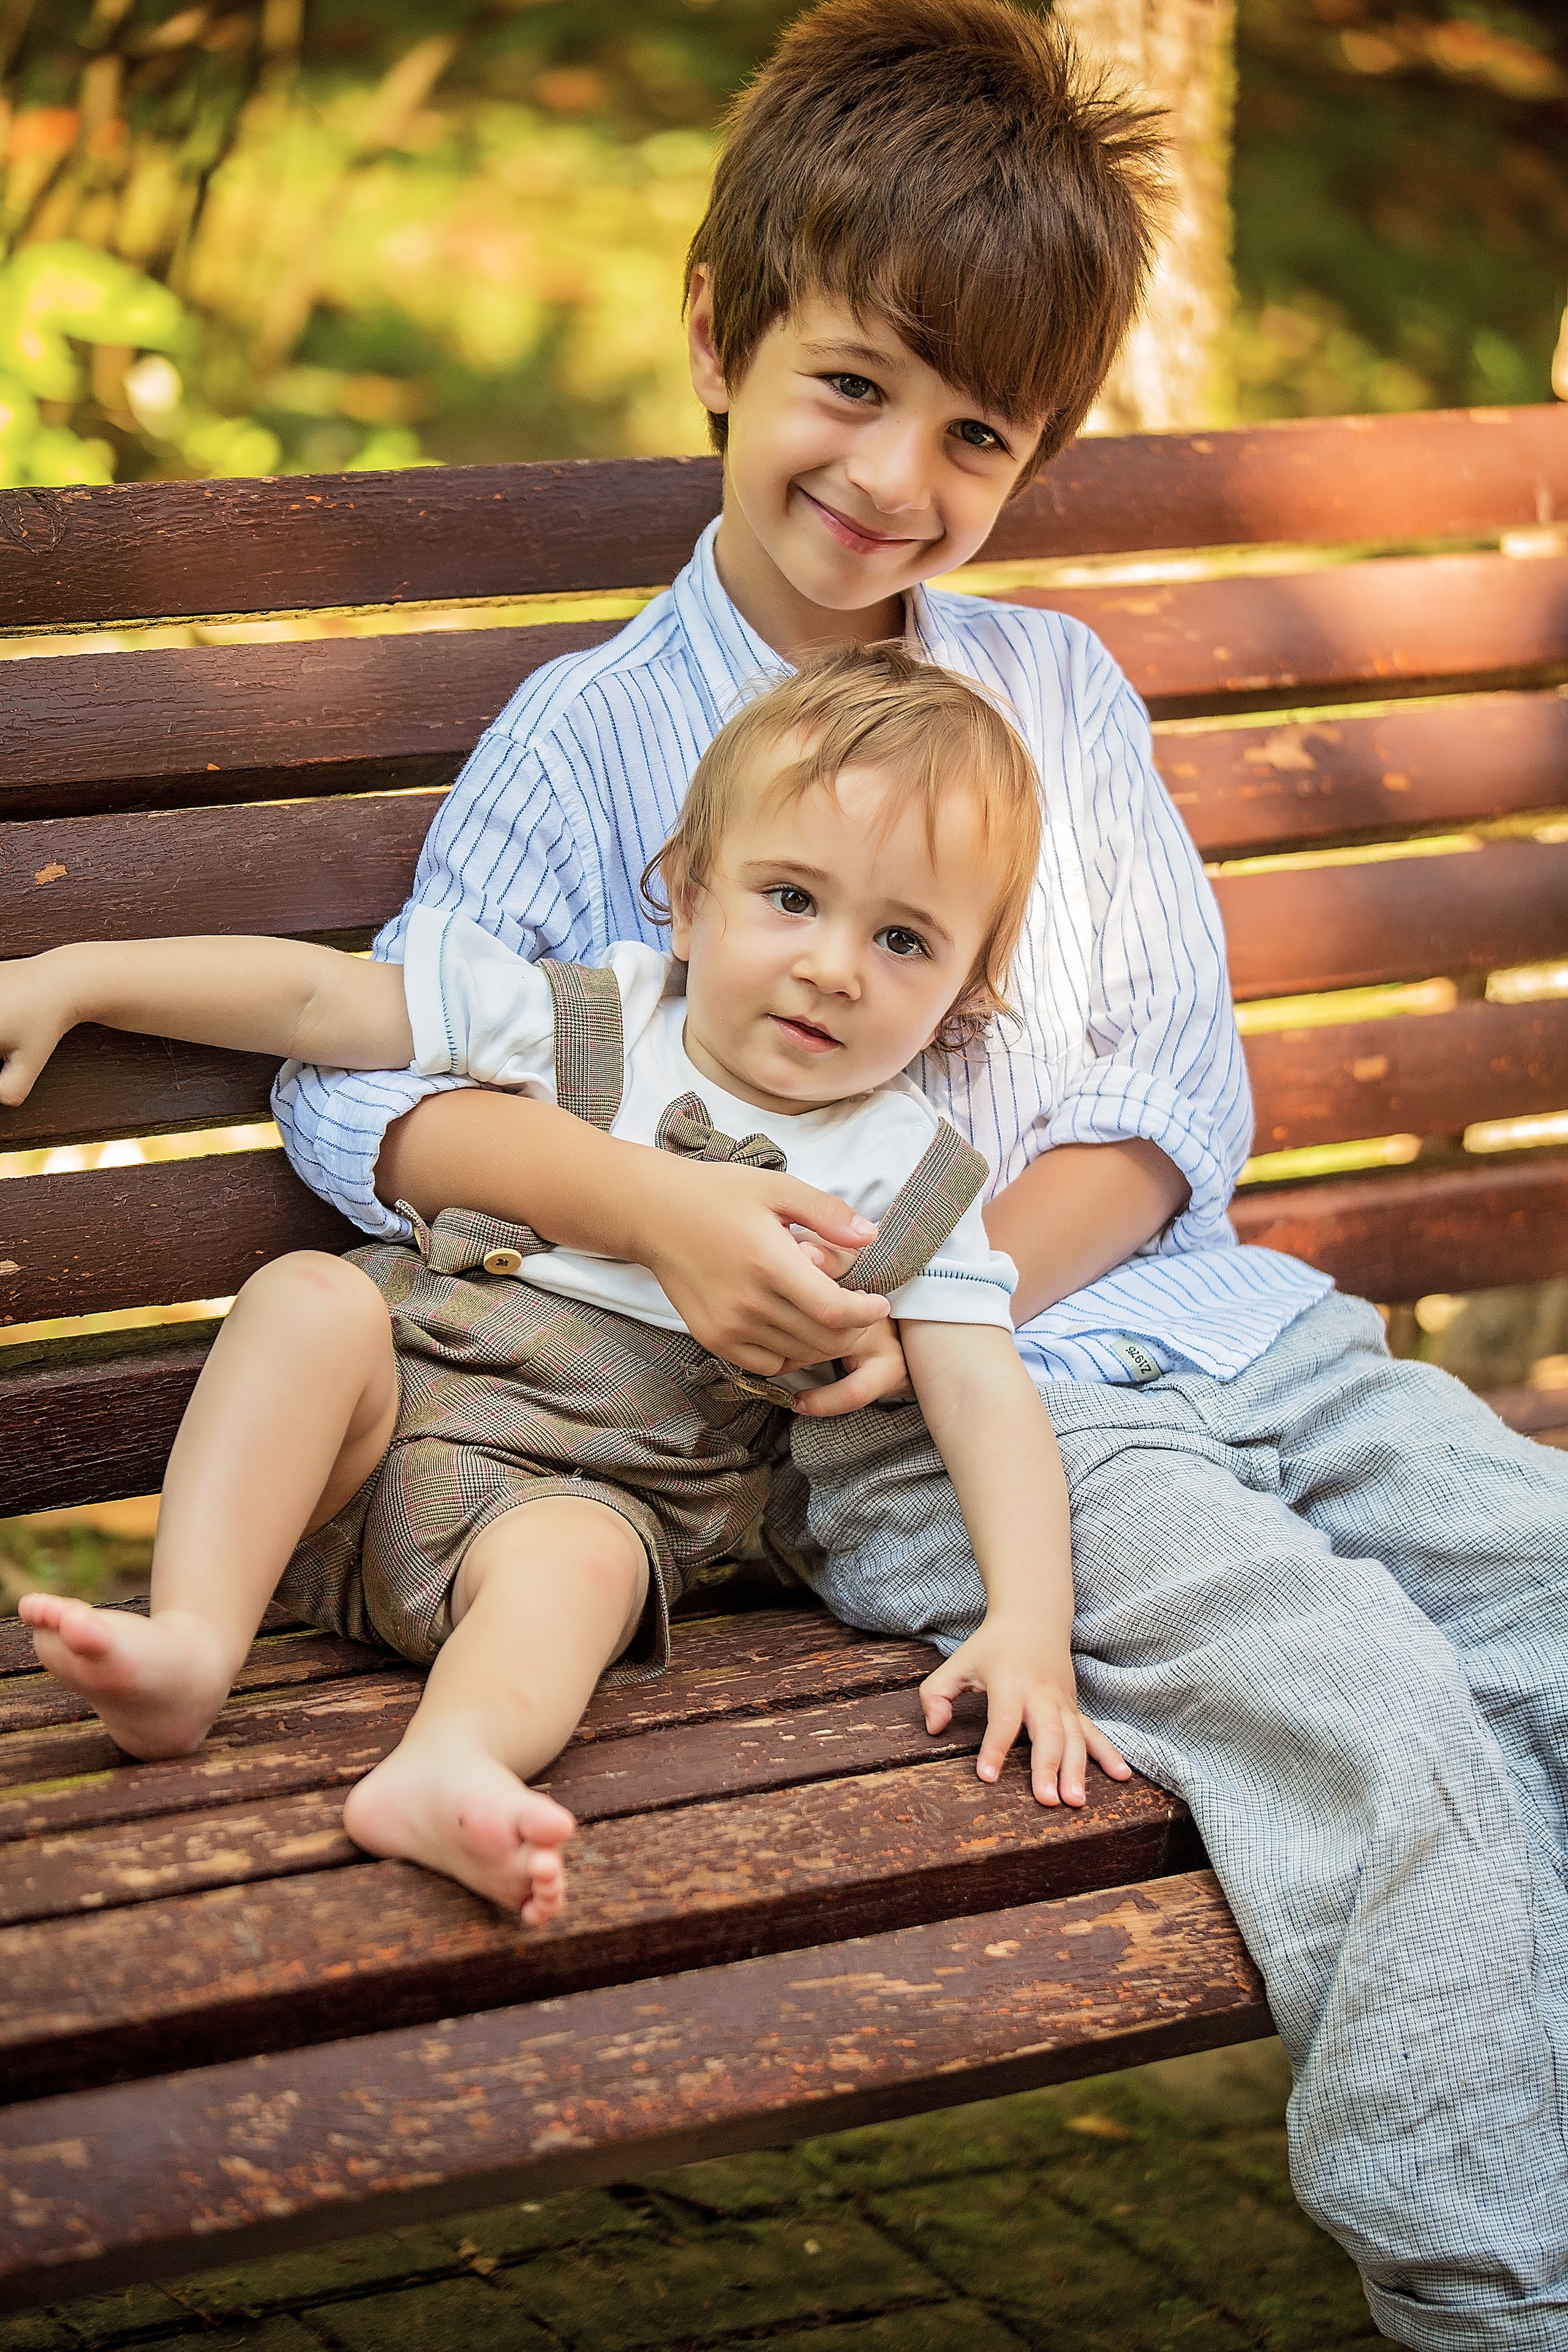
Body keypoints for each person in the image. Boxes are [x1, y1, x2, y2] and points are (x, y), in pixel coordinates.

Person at [257, 2, 1568, 2340]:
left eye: (979, 433)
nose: (897, 477)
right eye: (853, 385)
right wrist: (666, 1215)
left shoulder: (1054, 694)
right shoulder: (593, 744)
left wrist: (948, 1267)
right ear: (719, 340)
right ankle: (1508, 2294)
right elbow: (363, 1100)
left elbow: (1170, 1101)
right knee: (1377, 1726)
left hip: (1231, 1338)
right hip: (955, 1443)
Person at [4, 646, 1133, 1926]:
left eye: (902, 938)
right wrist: (78, 978)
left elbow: (984, 1394)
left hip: (573, 1504)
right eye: (789, 898)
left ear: (964, 994)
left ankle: (450, 1765)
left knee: (583, 1567)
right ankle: (192, 1648)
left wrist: (1030, 1623)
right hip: (350, 1448)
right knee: (309, 1299)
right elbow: (320, 999)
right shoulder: (590, 1019)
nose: (835, 967)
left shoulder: (908, 1173)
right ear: (688, 902)